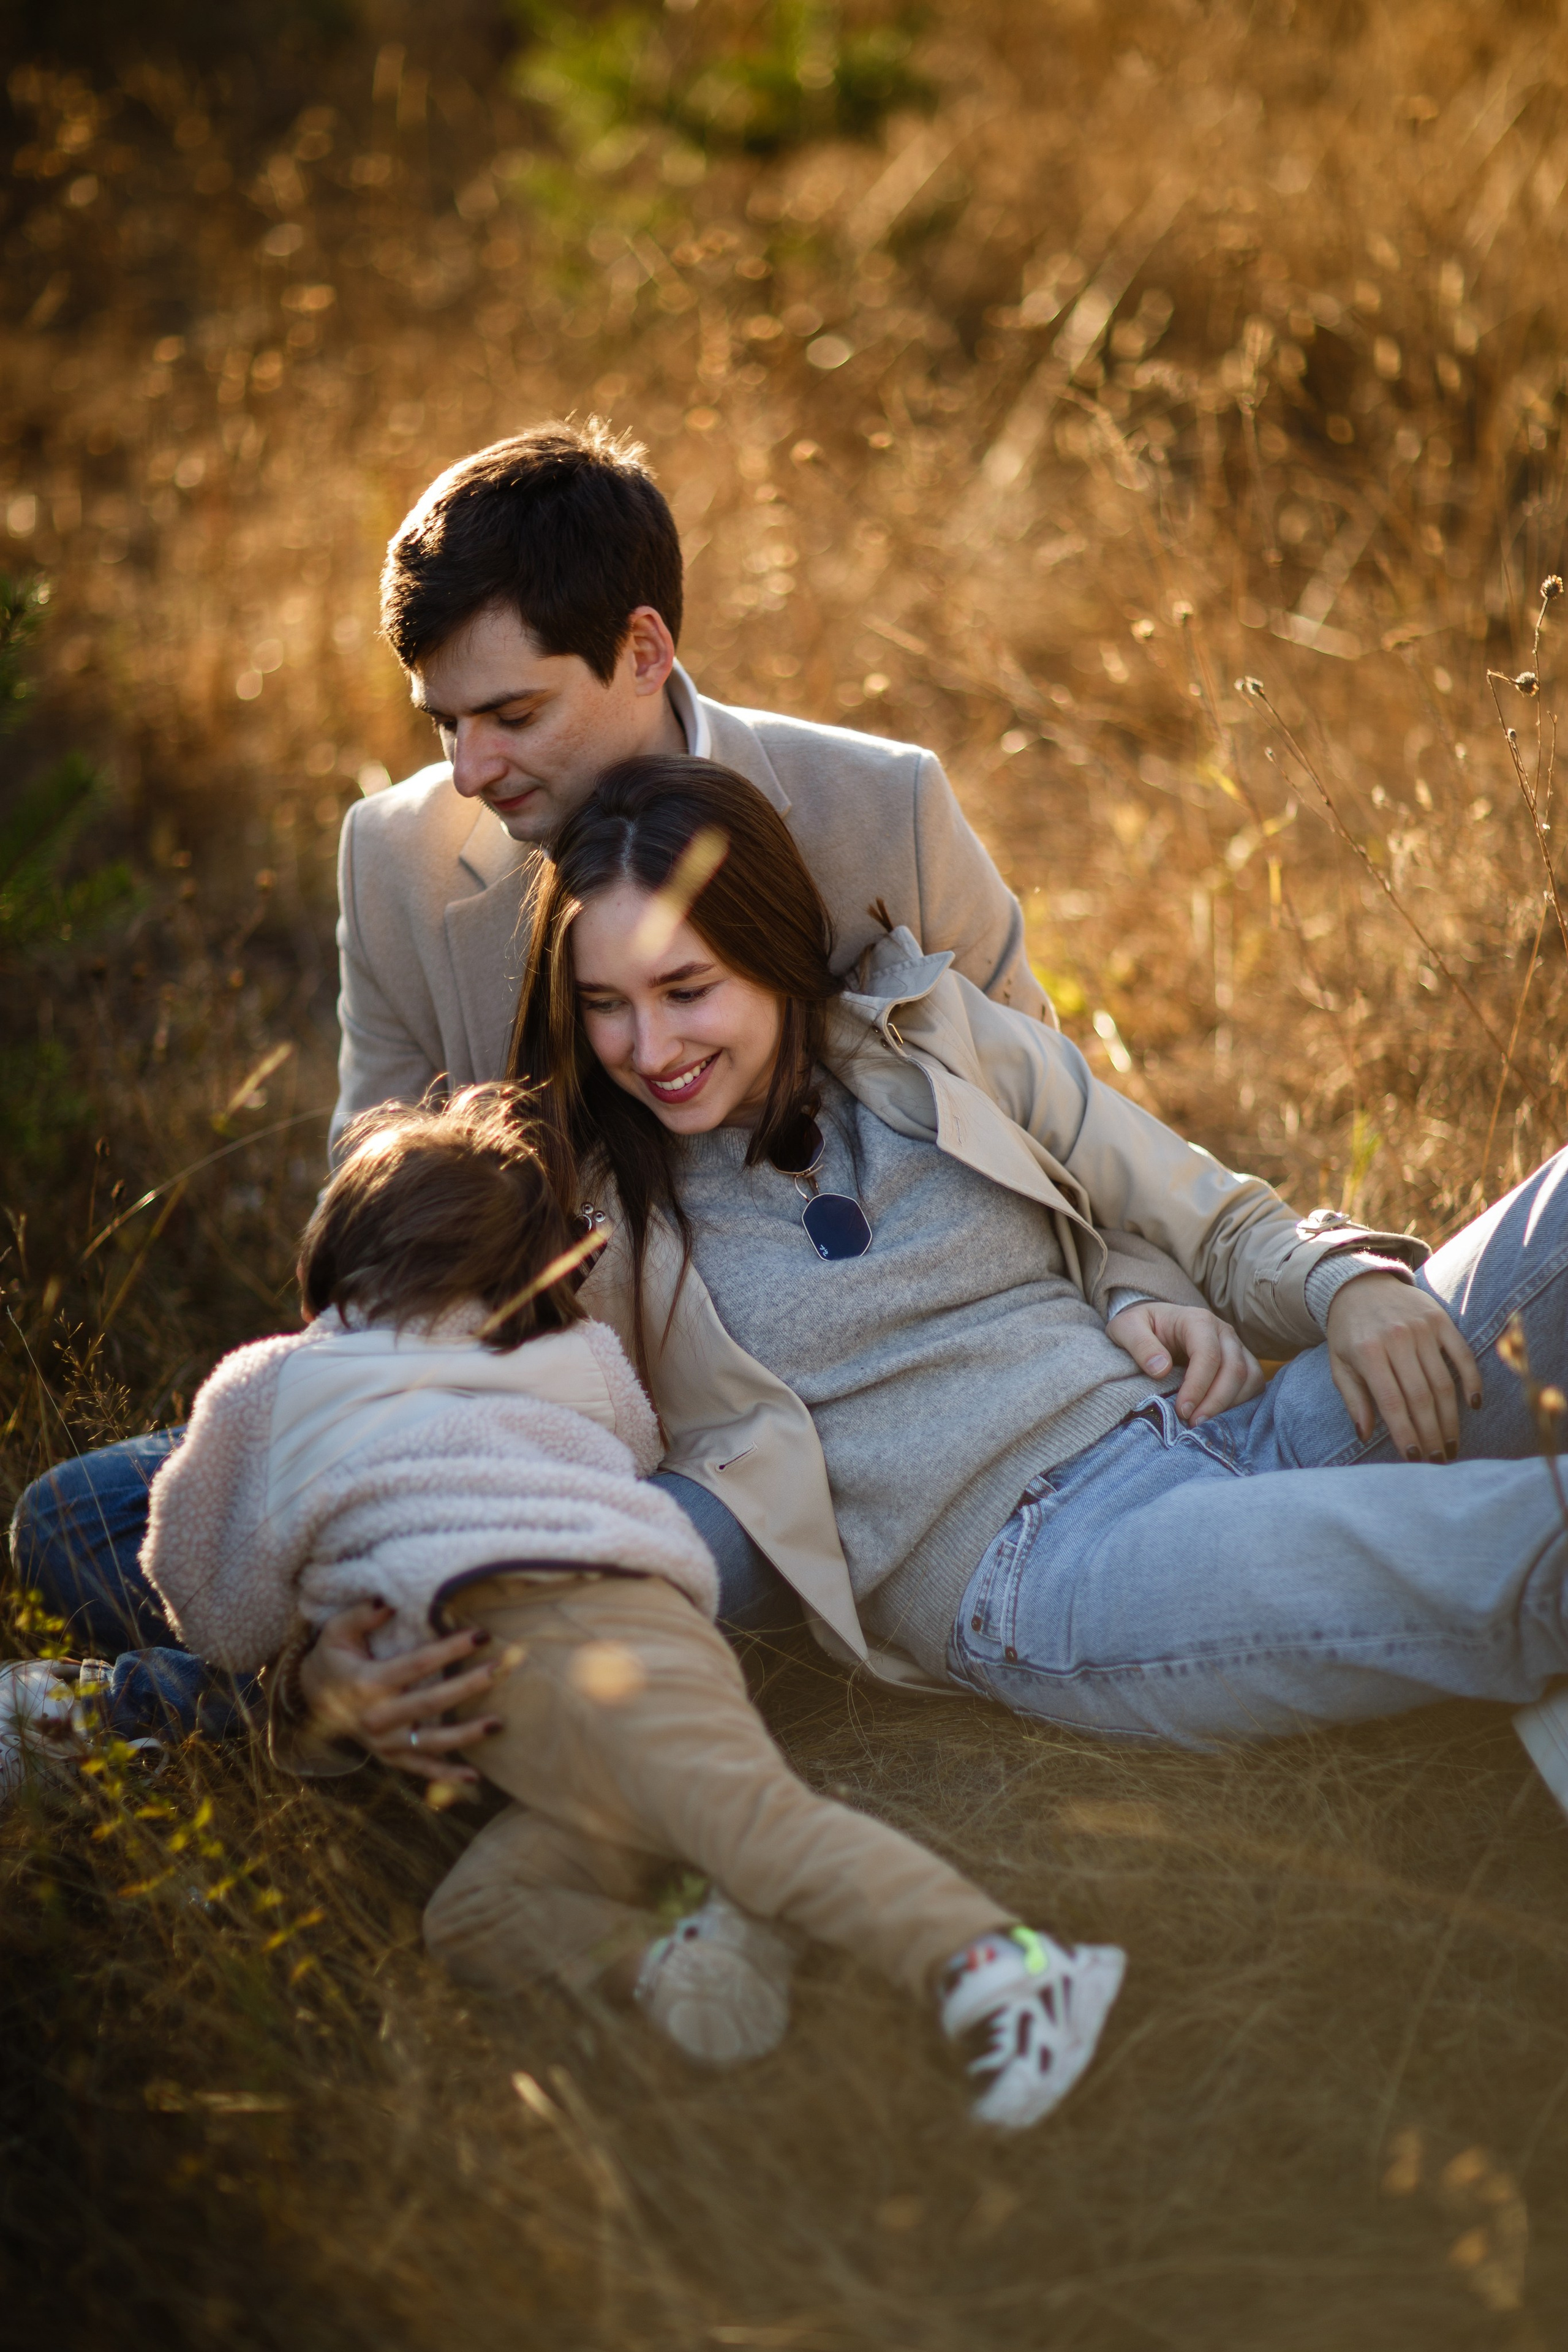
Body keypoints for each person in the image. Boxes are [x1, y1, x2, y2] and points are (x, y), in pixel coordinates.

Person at [7, 415, 1049, 1738]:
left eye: (512, 715)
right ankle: (314, 1685)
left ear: (642, 651)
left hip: (774, 1417)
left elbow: (1045, 1105)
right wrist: (404, 1392)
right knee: (76, 1522)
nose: (469, 768)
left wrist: (1145, 1298)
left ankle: (188, 1718)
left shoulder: (875, 807)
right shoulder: (396, 852)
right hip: (512, 1373)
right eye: (444, 721)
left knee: (491, 1605)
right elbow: (368, 1165)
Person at [445, 748, 1568, 1774]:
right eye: (607, 1006)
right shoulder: (593, 1223)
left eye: (688, 990)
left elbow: (1193, 1206)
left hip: (1228, 1427)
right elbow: (446, 1424)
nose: (651, 1049)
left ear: (775, 955)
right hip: (1052, 1568)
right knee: (1516, 1542)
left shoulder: (932, 1035)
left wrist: (1345, 1283)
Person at [127, 1082, 1125, 2125]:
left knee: (756, 1824)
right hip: (628, 1650)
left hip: (557, 1645)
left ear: (339, 1248)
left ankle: (1009, 1969)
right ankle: (689, 1949)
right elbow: (635, 1451)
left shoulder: (275, 1385)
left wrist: (304, 1638)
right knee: (478, 1915)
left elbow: (209, 1606)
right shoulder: (575, 1359)